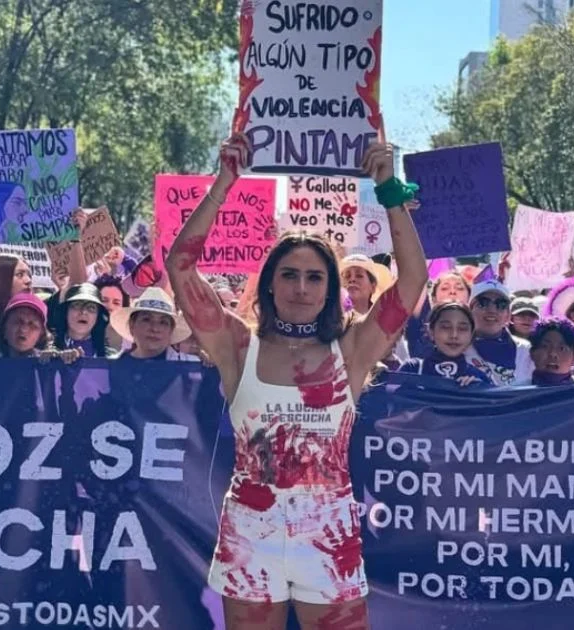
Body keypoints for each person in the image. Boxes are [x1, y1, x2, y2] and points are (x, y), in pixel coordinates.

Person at [168, 133, 426, 629]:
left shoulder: (350, 351)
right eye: (289, 274)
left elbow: (411, 283)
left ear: (331, 289)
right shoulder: (237, 346)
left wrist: (388, 188)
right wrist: (225, 182)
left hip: (328, 535)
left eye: (315, 277)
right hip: (251, 530)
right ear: (269, 282)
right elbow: (180, 267)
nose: (301, 287)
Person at [397, 302, 490, 387]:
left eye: (462, 328)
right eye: (446, 327)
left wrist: (479, 390)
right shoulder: (412, 369)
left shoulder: (480, 377)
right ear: (431, 331)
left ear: (471, 334)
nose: (454, 335)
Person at [463, 279, 534, 386]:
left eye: (501, 304)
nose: (492, 310)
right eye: (483, 303)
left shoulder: (526, 351)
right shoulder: (459, 349)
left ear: (508, 316)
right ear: (469, 311)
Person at [0, 293, 80, 362]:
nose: (24, 329)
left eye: (32, 324)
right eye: (18, 321)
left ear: (41, 335)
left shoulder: (48, 361)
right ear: (4, 327)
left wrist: (66, 360)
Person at [112, 287, 196, 361]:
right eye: (146, 319)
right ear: (132, 325)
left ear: (171, 330)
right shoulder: (111, 367)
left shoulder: (191, 367)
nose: (155, 328)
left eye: (163, 322)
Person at [50, 283, 117, 358]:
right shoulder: (48, 351)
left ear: (98, 317)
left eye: (91, 308)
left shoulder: (111, 358)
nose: (84, 311)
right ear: (65, 312)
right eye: (77, 305)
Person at [529, 317, 574, 387]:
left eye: (561, 348)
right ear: (532, 353)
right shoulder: (517, 392)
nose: (553, 354)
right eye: (545, 346)